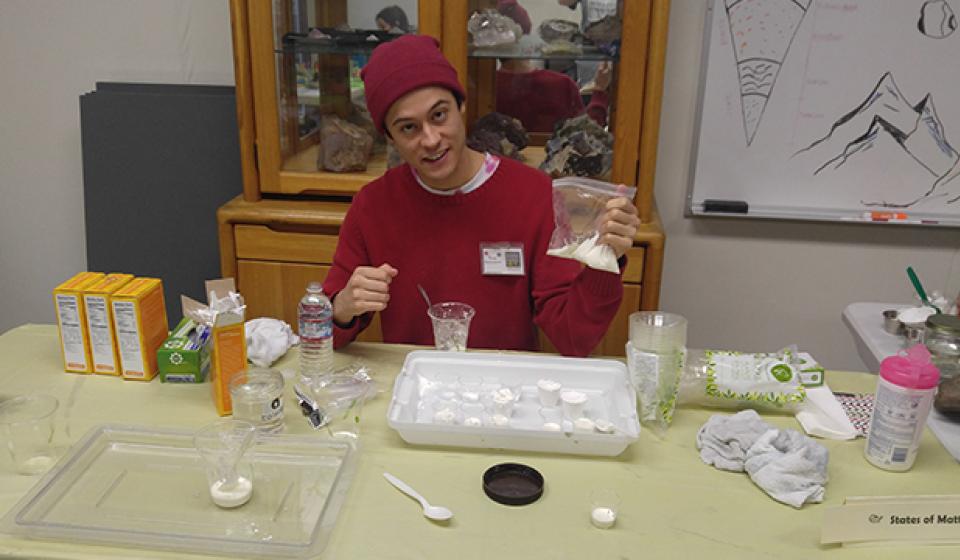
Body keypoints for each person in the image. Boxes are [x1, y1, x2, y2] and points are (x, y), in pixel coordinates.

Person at [322, 35, 639, 357]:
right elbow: (320, 332)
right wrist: (342, 308)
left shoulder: (532, 194)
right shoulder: (374, 206)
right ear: (390, 137)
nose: (430, 140)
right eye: (408, 128)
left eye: (439, 115)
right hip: (416, 387)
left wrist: (605, 259)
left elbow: (573, 338)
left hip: (504, 392)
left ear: (461, 107)